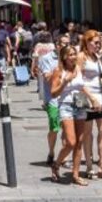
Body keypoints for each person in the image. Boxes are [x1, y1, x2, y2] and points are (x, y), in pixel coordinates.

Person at [50, 45, 88, 186]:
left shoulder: (79, 69)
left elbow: (82, 86)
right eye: (70, 55)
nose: (73, 57)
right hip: (65, 104)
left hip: (80, 101)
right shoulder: (58, 71)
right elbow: (53, 93)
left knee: (79, 142)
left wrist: (92, 97)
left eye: (74, 54)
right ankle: (56, 164)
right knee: (70, 142)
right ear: (64, 57)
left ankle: (75, 174)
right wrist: (65, 81)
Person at [78, 30, 102, 180]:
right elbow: (79, 81)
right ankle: (88, 165)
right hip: (86, 98)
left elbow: (96, 79)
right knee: (87, 132)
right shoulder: (82, 57)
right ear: (87, 42)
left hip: (100, 96)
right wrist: (91, 97)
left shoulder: (97, 58)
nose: (98, 45)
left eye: (99, 42)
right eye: (95, 42)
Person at [32, 30, 59, 165]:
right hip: (52, 98)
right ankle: (52, 151)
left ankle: (64, 157)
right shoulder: (47, 58)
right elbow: (48, 78)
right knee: (54, 127)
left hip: (67, 99)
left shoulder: (71, 58)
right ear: (56, 45)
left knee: (68, 128)